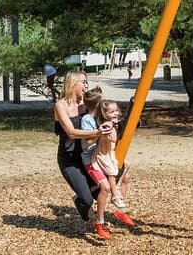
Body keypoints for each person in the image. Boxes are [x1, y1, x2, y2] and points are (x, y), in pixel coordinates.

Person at [53, 72, 134, 240]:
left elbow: (106, 112)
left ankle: (112, 211)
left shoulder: (86, 104)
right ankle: (81, 200)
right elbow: (71, 132)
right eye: (83, 82)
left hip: (89, 155)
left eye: (86, 82)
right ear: (73, 83)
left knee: (114, 178)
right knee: (88, 200)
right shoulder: (61, 105)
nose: (86, 86)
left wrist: (125, 120)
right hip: (70, 159)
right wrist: (97, 132)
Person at [87, 99, 131, 213]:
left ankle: (117, 186)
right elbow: (109, 134)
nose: (115, 113)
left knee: (127, 165)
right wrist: (111, 127)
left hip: (111, 154)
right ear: (104, 114)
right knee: (112, 171)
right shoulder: (106, 125)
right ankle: (115, 195)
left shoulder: (115, 124)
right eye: (111, 112)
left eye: (116, 111)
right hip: (103, 155)